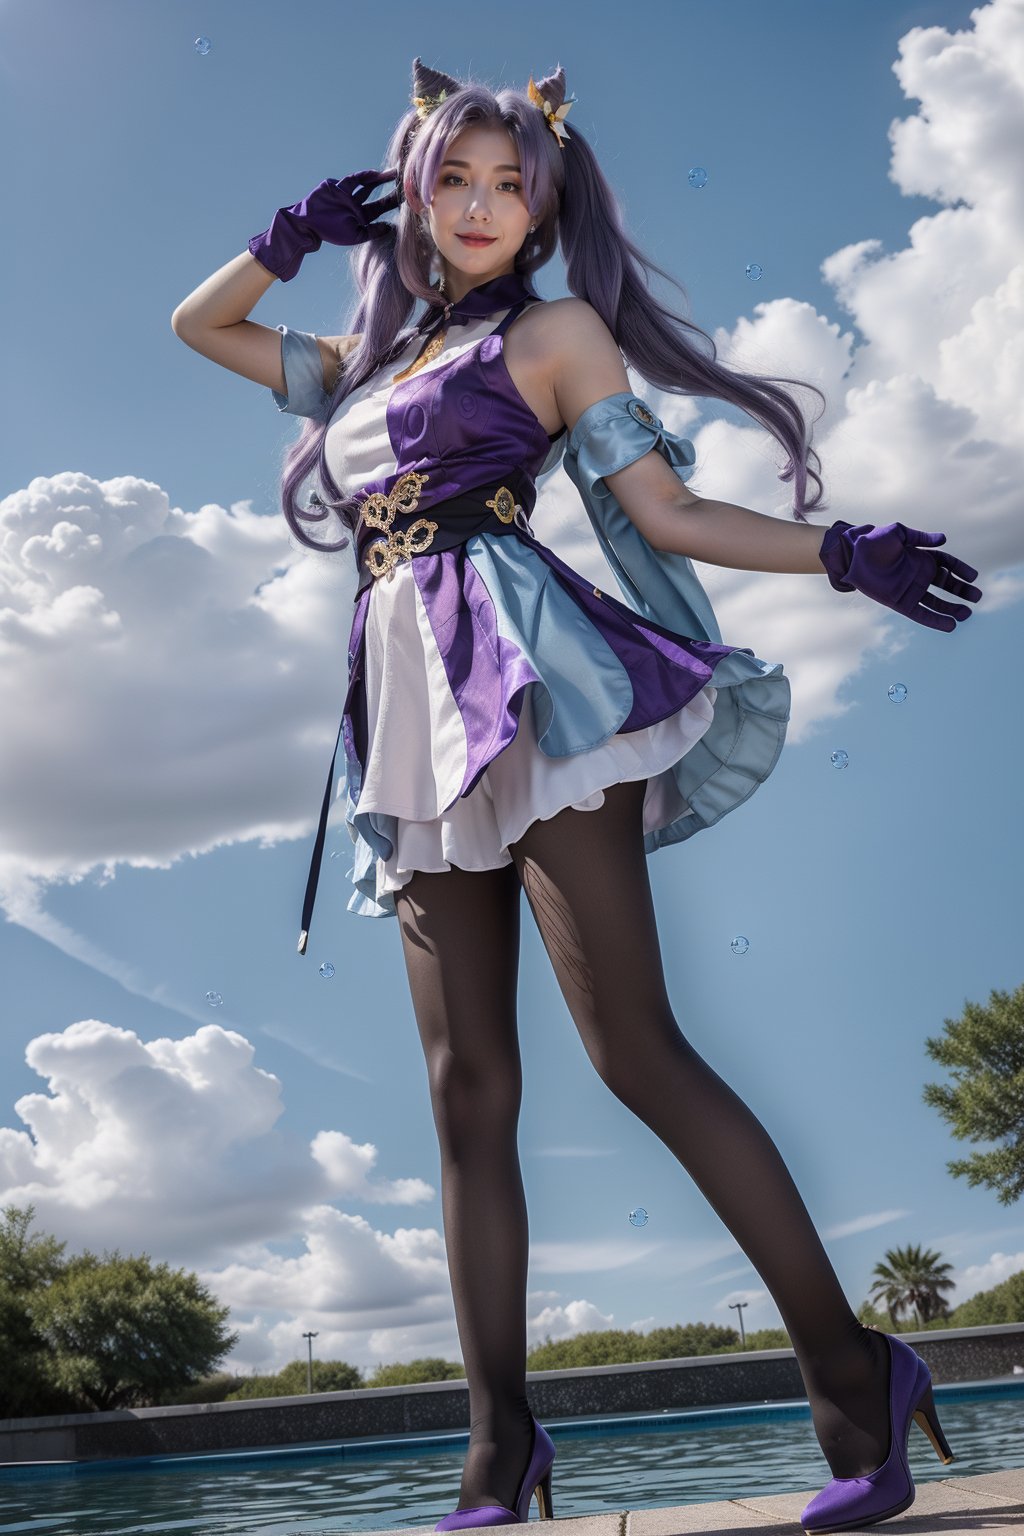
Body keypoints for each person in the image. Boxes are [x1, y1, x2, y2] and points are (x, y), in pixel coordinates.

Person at [172, 57, 977, 1535]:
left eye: (509, 182)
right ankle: (499, 1450)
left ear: (545, 203)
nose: (481, 206)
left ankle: (858, 1377)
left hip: (536, 682)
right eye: (453, 180)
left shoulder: (556, 332)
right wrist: (282, 243)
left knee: (636, 1055)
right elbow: (198, 325)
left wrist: (839, 550)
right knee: (464, 1094)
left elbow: (661, 511)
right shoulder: (364, 368)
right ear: (414, 195)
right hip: (408, 713)